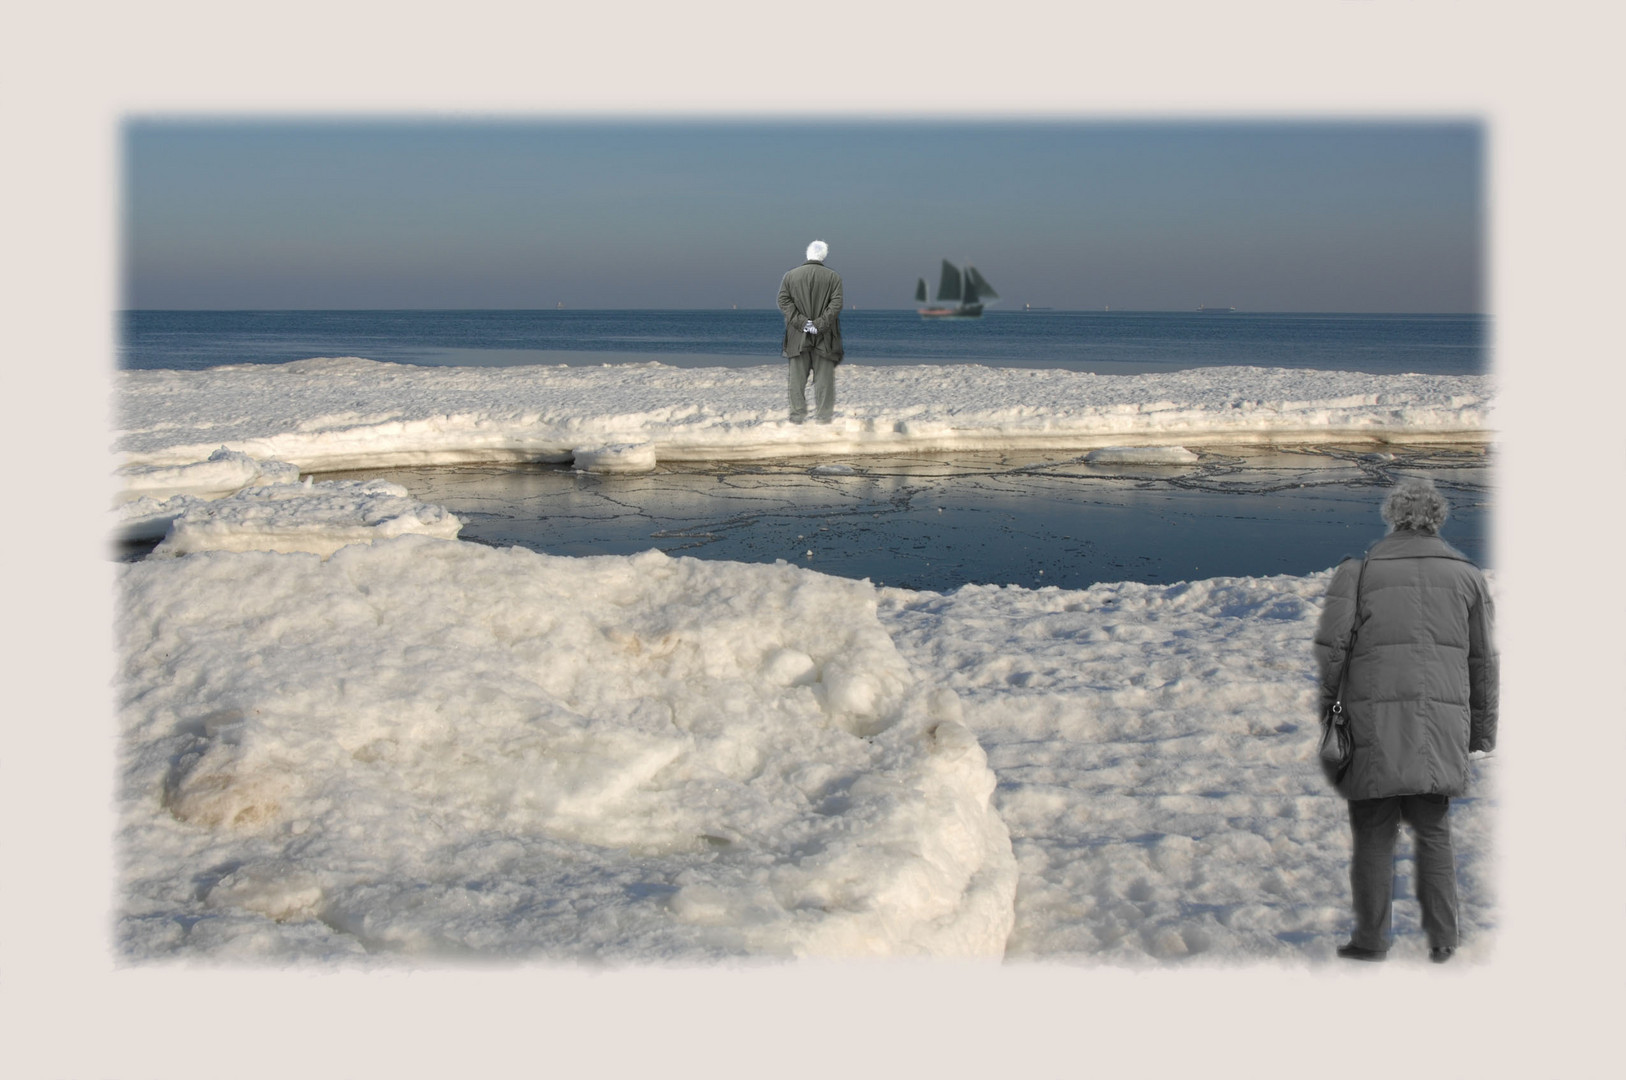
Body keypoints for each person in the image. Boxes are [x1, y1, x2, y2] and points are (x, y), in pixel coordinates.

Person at [1313, 476, 1497, 964]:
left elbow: (1333, 650)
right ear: (1437, 520)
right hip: (1441, 726)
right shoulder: (1468, 575)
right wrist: (1481, 732)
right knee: (1434, 832)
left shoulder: (1359, 572)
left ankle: (1371, 941)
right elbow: (1483, 662)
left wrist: (1329, 708)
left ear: (1393, 517)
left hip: (1372, 722)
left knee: (1373, 834)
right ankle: (1444, 940)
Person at [777, 239, 844, 423]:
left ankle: (797, 417)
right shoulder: (833, 277)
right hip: (825, 337)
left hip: (797, 336)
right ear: (824, 255)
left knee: (796, 381)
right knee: (824, 381)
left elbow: (783, 301)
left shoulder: (790, 276)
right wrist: (819, 324)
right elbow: (836, 304)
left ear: (807, 254)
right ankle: (823, 419)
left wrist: (802, 323)